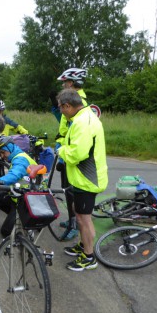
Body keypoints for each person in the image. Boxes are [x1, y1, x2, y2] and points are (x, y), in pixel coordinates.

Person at [56, 88, 108, 272]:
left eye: (61, 108)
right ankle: (82, 245)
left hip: (87, 180)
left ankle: (88, 256)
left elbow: (77, 154)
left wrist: (60, 150)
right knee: (76, 211)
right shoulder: (82, 117)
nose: (60, 111)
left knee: (84, 219)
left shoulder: (82, 122)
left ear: (68, 105)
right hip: (82, 178)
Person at [50, 68, 89, 240]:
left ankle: (75, 224)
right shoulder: (72, 101)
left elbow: (75, 131)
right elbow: (64, 125)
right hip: (65, 149)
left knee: (72, 190)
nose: (63, 86)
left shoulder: (78, 103)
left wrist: (64, 150)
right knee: (67, 188)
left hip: (72, 152)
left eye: (64, 83)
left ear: (71, 83)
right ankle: (72, 219)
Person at [0, 136, 37, 237]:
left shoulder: (20, 159)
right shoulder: (18, 156)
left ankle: (27, 219)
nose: (1, 156)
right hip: (22, 195)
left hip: (28, 200)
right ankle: (17, 217)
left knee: (5, 232)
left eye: (3, 152)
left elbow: (14, 175)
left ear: (9, 148)